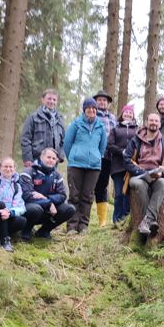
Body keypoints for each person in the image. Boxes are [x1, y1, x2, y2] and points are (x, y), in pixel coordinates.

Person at [124, 112, 164, 236]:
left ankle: (146, 221)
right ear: (146, 122)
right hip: (138, 175)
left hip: (157, 176)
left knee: (163, 183)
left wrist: (162, 173)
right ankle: (150, 221)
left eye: (156, 121)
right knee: (140, 184)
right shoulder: (136, 140)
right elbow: (126, 159)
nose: (153, 123)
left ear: (159, 124)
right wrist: (141, 172)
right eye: (151, 120)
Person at [64, 97, 107, 234]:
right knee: (74, 195)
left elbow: (102, 147)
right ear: (84, 110)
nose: (92, 110)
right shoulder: (76, 124)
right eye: (89, 108)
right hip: (76, 164)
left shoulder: (101, 127)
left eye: (94, 109)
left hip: (93, 167)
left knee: (87, 196)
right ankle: (72, 226)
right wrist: (74, 156)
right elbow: (67, 144)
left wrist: (95, 157)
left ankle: (83, 226)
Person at [19, 147, 75, 240]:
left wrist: (46, 198)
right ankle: (26, 230)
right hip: (30, 209)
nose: (51, 160)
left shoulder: (57, 175)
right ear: (41, 157)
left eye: (54, 159)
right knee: (36, 209)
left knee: (69, 209)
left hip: (49, 210)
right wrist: (48, 203)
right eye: (48, 157)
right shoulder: (28, 172)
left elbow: (62, 195)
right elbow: (27, 195)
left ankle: (43, 231)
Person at [0, 157, 27, 252]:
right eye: (5, 166)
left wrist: (10, 212)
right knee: (1, 210)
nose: (8, 169)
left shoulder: (17, 186)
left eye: (11, 167)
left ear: (14, 168)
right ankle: (4, 240)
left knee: (22, 220)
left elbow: (21, 207)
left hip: (7, 216)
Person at [107, 105, 138, 223]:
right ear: (122, 114)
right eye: (126, 112)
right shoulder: (115, 129)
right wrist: (122, 151)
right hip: (117, 165)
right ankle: (116, 219)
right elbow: (109, 145)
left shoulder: (137, 129)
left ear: (133, 115)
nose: (128, 114)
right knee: (119, 193)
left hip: (132, 165)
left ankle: (126, 219)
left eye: (131, 113)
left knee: (129, 194)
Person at [20, 88, 66, 168]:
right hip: (36, 161)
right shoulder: (33, 117)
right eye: (49, 99)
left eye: (54, 100)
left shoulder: (60, 119)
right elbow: (25, 139)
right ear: (43, 100)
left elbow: (64, 140)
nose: (52, 102)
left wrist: (60, 156)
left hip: (53, 162)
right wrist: (27, 159)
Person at [92, 90, 118, 227]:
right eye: (99, 100)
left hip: (108, 157)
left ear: (108, 103)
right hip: (93, 156)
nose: (102, 102)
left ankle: (102, 221)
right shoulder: (92, 115)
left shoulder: (113, 118)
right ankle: (83, 217)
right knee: (89, 185)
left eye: (104, 100)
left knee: (102, 186)